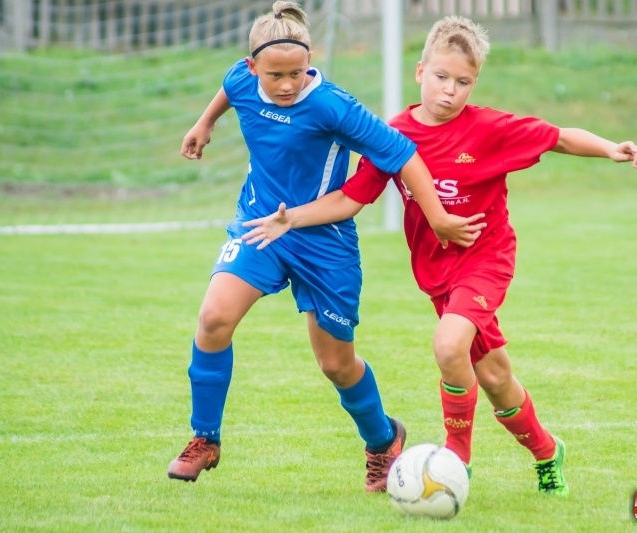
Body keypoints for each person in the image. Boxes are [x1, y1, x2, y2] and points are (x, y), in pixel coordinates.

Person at [241, 16, 637, 496]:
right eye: (441, 77)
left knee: (448, 345)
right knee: (494, 377)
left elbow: (558, 136)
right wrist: (292, 218)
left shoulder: (491, 128)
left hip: (486, 257)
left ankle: (456, 460)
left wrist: (610, 149)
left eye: (463, 82)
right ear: (419, 72)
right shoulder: (391, 136)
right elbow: (351, 199)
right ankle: (545, 451)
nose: (450, 91)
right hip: (436, 271)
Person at [167, 3, 486, 493]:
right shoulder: (241, 78)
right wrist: (205, 123)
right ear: (253, 67)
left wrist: (438, 217)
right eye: (275, 75)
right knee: (213, 320)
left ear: (311, 60)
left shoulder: (332, 105)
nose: (288, 84)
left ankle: (382, 440)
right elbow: (229, 90)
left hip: (325, 243)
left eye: (297, 72)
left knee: (336, 364)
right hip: (260, 226)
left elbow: (403, 153)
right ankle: (204, 438)